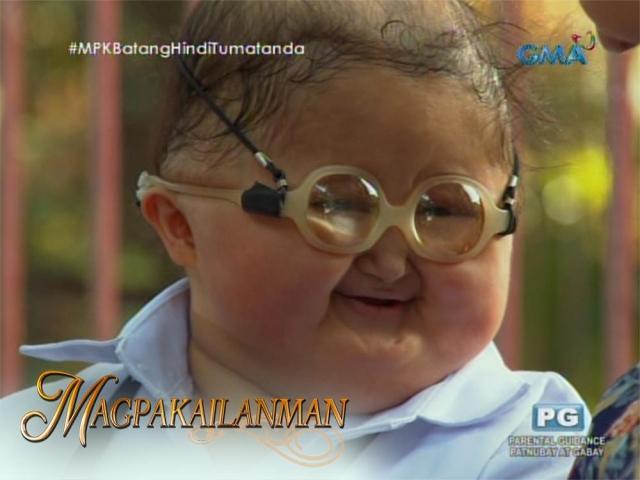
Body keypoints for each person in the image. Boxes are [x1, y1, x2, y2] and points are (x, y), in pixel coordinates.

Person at [0, 1, 591, 478]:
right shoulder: (50, 437)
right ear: (181, 225)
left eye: (445, 210)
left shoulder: (537, 440)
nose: (391, 259)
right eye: (337, 203)